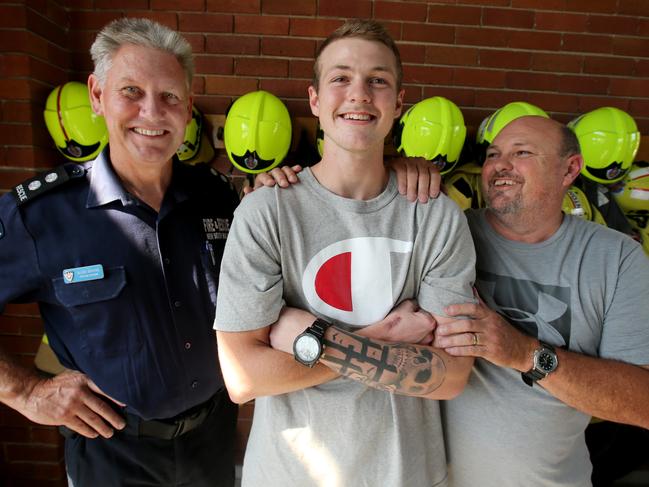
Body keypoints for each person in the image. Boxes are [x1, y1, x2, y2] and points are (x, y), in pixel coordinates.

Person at [214, 19, 476, 487]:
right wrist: (386, 334)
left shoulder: (436, 215)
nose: (359, 94)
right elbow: (244, 379)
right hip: (288, 474)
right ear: (315, 99)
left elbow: (452, 375)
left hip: (406, 473)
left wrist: (306, 336)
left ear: (398, 102)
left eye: (378, 80)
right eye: (340, 78)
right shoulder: (265, 212)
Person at [0, 18, 242, 486]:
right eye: (131, 90)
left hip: (211, 441)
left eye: (170, 96)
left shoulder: (217, 198)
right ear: (97, 95)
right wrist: (26, 390)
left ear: (188, 107)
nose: (152, 113)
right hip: (112, 455)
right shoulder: (41, 216)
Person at [432, 115, 649, 486]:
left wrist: (525, 354)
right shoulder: (447, 231)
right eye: (493, 154)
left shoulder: (615, 258)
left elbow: (641, 403)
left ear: (569, 169)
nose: (500, 165)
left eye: (522, 153)